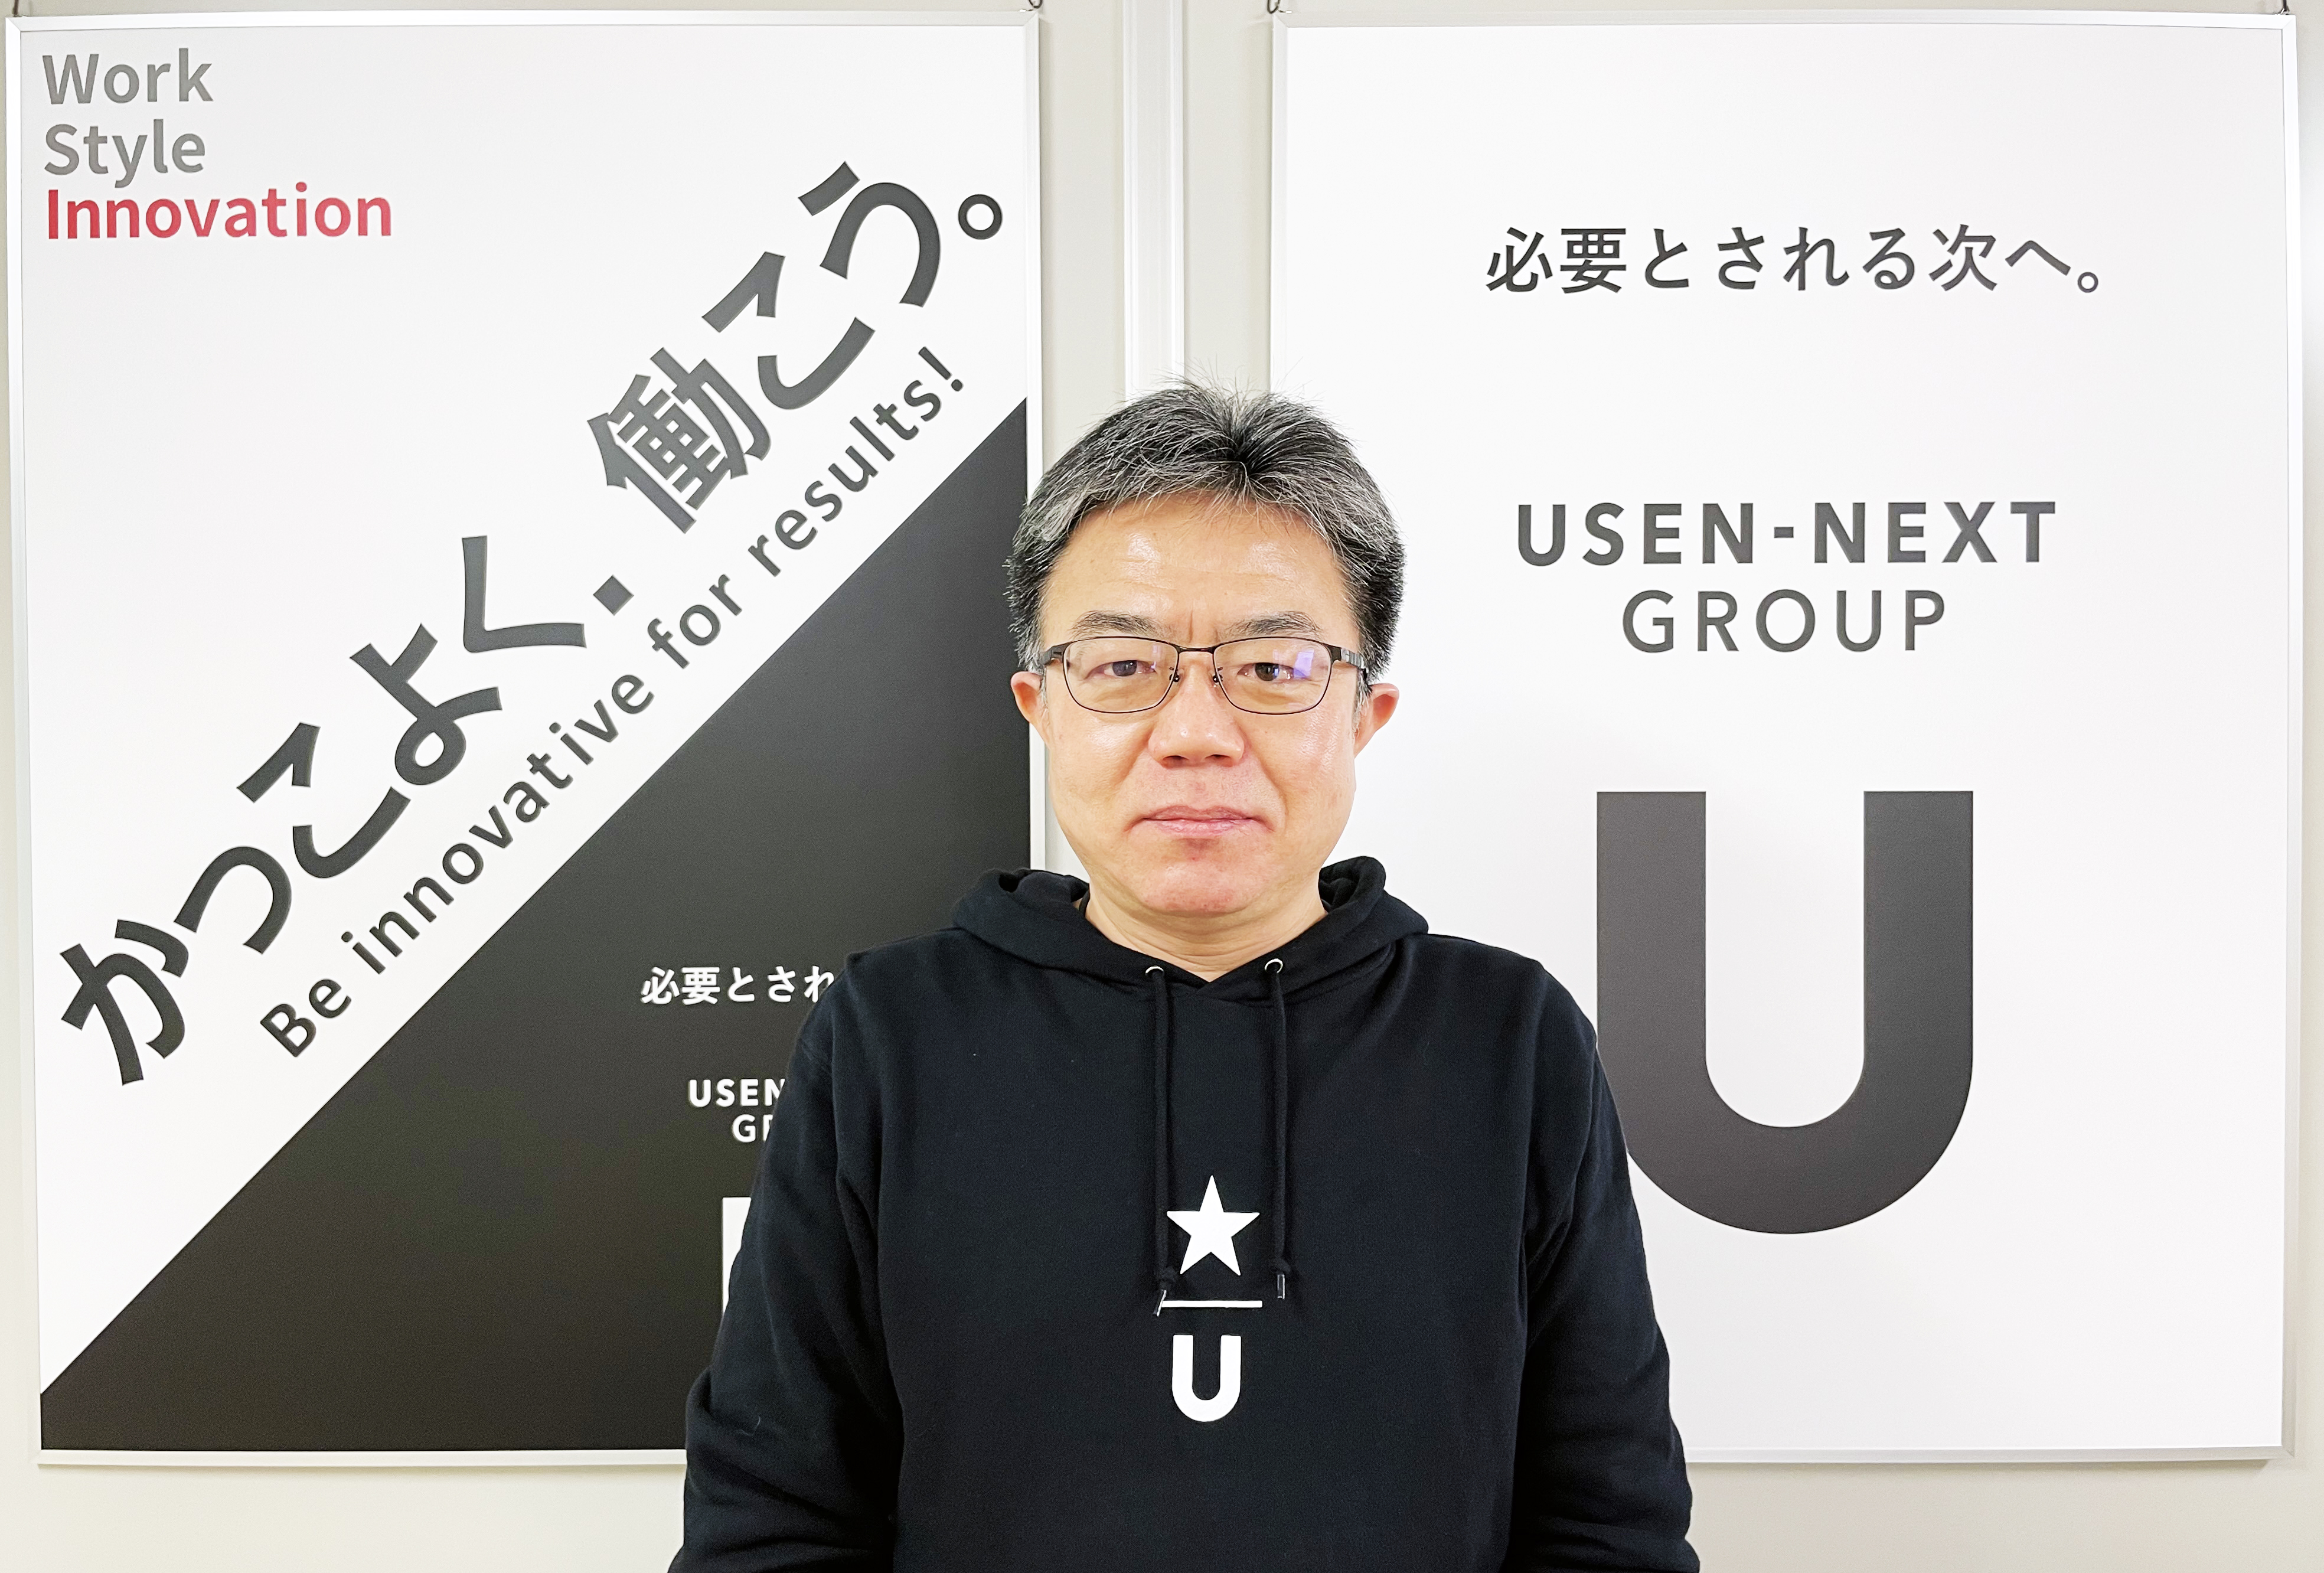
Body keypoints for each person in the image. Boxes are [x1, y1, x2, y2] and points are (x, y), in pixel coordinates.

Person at [674, 385, 1698, 1572]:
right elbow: (773, 1518)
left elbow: (1608, 1525)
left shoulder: (1508, 1041)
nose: (1197, 730)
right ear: (1041, 707)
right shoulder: (892, 1034)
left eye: (1273, 665)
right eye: (1123, 665)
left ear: (1365, 713)